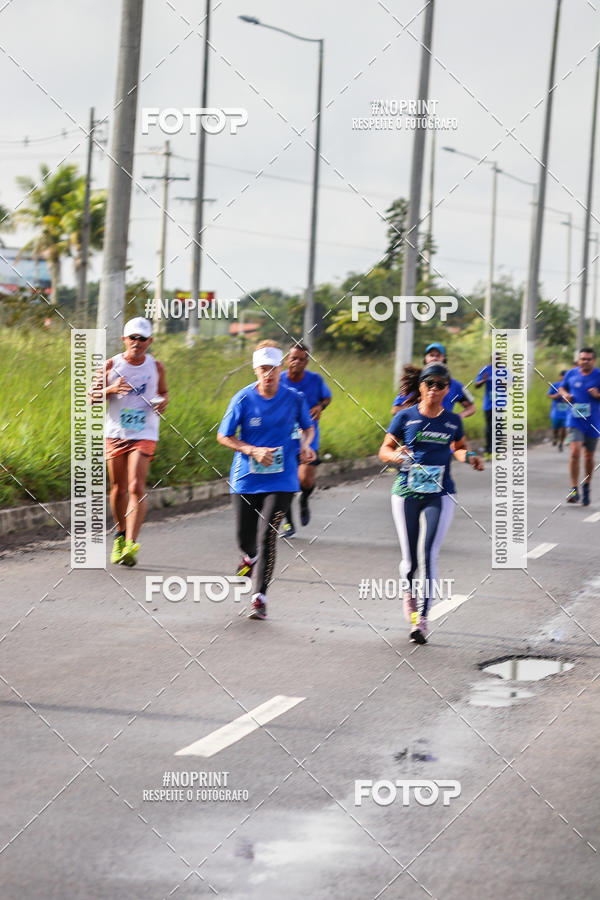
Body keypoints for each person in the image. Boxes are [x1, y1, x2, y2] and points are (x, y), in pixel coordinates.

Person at [379, 363, 484, 644]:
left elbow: (459, 448)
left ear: (448, 389)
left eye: (440, 385)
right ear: (420, 387)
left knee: (429, 554)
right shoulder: (404, 417)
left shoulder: (452, 421)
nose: (435, 389)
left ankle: (421, 621)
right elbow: (384, 450)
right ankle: (408, 594)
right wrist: (397, 456)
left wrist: (469, 457)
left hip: (441, 493)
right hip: (406, 492)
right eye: (429, 384)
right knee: (410, 560)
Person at [217, 340, 315, 620]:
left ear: (280, 368)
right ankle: (249, 558)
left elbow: (308, 427)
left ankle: (259, 597)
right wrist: (251, 450)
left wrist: (307, 445)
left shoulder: (294, 398)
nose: (268, 374)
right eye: (263, 369)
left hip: (282, 479)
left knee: (267, 536)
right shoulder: (243, 399)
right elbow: (224, 435)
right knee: (244, 538)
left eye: (272, 368)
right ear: (255, 370)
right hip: (247, 478)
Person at [91, 316, 168, 567]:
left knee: (136, 486)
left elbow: (164, 392)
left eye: (142, 338)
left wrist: (164, 401)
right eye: (133, 337)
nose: (137, 342)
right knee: (118, 488)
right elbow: (90, 396)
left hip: (144, 433)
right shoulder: (110, 365)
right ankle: (120, 535)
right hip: (116, 432)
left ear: (150, 341)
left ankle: (131, 544)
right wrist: (110, 390)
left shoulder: (156, 367)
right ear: (124, 339)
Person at [279, 341, 332, 535]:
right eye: (293, 358)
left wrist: (320, 406)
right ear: (286, 360)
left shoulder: (315, 380)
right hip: (284, 438)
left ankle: (304, 500)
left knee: (305, 481)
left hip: (309, 437)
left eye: (302, 359)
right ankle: (288, 523)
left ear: (307, 362)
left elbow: (327, 398)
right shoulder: (279, 380)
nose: (297, 362)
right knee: (286, 483)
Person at [558, 348, 600, 506]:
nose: (585, 361)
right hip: (574, 420)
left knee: (589, 457)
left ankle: (587, 485)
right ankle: (574, 489)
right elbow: (562, 388)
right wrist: (564, 395)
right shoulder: (571, 374)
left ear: (593, 360)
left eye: (589, 359)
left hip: (593, 422)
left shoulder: (598, 375)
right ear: (579, 360)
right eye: (583, 359)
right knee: (575, 452)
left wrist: (598, 395)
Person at [391, 343, 475, 418]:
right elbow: (396, 410)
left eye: (438, 355)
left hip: (442, 432)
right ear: (425, 359)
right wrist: (418, 415)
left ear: (444, 359)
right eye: (431, 355)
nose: (434, 358)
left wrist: (454, 419)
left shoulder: (455, 385)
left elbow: (471, 408)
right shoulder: (414, 381)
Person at [474, 353, 503, 458]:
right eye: (495, 359)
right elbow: (476, 385)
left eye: (499, 359)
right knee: (489, 427)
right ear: (491, 359)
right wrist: (484, 380)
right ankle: (488, 449)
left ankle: (497, 449)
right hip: (488, 404)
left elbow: (511, 382)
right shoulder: (485, 370)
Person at [547, 370, 568, 451]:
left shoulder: (569, 386)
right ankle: (555, 437)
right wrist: (556, 395)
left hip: (566, 412)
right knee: (555, 428)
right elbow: (549, 395)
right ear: (560, 377)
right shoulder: (555, 385)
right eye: (563, 376)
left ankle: (561, 443)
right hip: (556, 412)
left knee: (564, 429)